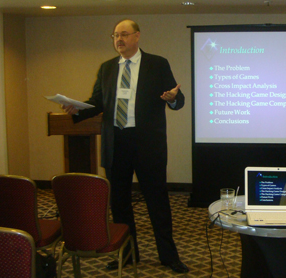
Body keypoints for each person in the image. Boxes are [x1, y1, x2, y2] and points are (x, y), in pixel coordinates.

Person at [62, 19, 188, 273]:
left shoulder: (157, 63)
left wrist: (173, 99)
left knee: (157, 202)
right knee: (119, 203)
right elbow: (98, 101)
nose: (118, 39)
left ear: (137, 36)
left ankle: (168, 256)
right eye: (115, 35)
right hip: (116, 143)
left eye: (124, 34)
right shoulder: (107, 68)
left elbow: (177, 97)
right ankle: (128, 254)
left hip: (147, 145)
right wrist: (77, 110)